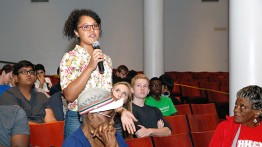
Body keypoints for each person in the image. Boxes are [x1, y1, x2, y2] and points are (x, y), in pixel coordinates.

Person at [60, 9, 136, 138]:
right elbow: (70, 96)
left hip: (103, 117)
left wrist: (121, 110)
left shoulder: (106, 59)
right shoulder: (70, 58)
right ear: (76, 32)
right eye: (86, 27)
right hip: (78, 118)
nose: (92, 30)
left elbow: (106, 94)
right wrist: (90, 66)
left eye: (95, 26)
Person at [62, 88, 128, 147]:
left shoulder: (112, 136)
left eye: (114, 116)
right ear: (91, 116)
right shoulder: (73, 143)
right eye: (109, 116)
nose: (112, 122)